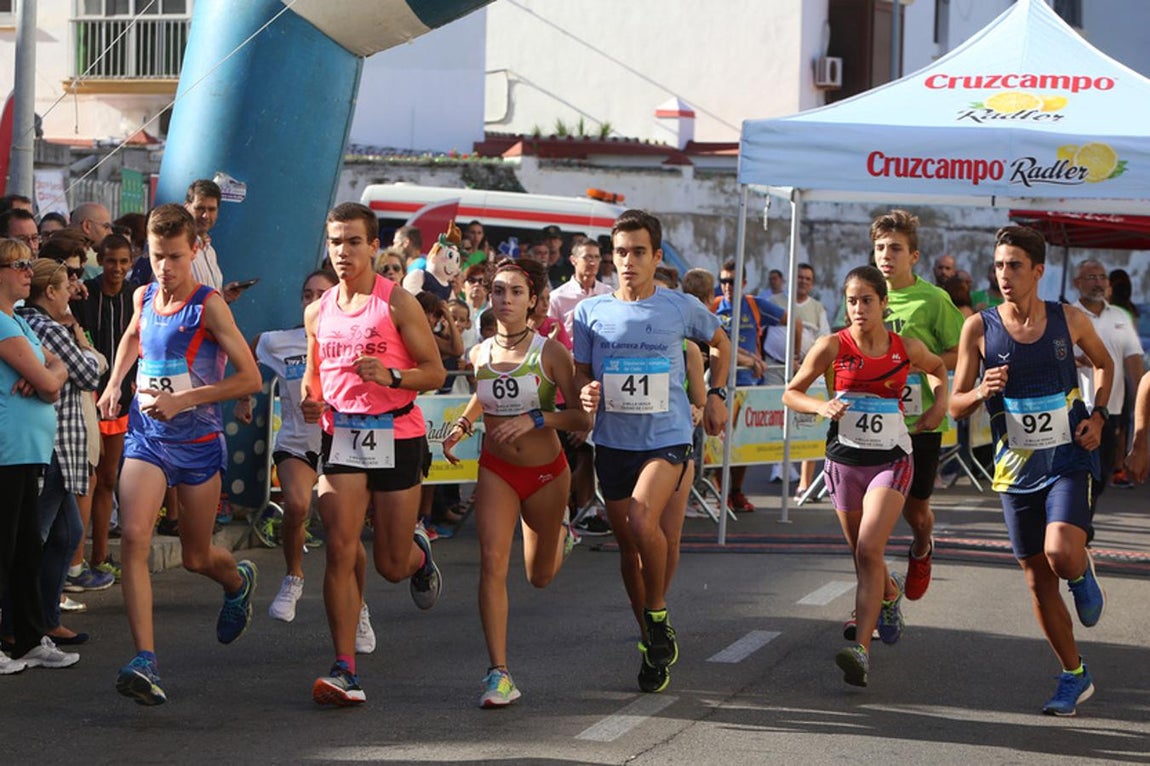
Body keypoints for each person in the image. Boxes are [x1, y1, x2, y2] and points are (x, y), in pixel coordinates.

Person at [97, 204, 263, 705]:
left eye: (174, 256)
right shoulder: (143, 294)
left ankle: (236, 581)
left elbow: (249, 378)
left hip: (197, 443)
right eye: (157, 255)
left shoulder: (210, 305)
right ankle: (145, 659)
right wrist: (114, 382)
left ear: (195, 250)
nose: (165, 266)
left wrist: (185, 400)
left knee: (195, 557)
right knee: (133, 539)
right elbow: (132, 337)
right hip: (147, 437)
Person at [950, 225, 1111, 717]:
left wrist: (1099, 416)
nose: (1004, 274)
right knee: (1038, 582)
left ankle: (1081, 573)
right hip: (1014, 468)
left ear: (1038, 271)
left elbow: (1104, 367)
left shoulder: (1070, 319)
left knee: (1061, 552)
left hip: (1067, 455)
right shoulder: (979, 328)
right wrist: (981, 391)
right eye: (998, 265)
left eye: (1014, 265)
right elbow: (955, 405)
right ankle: (1073, 674)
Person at [574, 209, 731, 694]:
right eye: (620, 252)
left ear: (656, 256)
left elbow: (721, 341)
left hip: (667, 438)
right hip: (614, 442)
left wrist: (718, 394)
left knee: (646, 524)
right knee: (629, 549)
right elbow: (581, 372)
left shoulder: (679, 307)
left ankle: (659, 615)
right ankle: (650, 640)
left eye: (638, 252)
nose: (628, 261)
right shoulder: (589, 312)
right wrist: (584, 393)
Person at [303, 202, 446, 707]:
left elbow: (435, 372)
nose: (343, 252)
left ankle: (419, 554)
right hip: (342, 435)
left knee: (389, 563)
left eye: (354, 242)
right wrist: (309, 396)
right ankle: (345, 668)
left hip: (397, 434)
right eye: (336, 241)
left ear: (374, 245)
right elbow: (313, 374)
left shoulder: (396, 303)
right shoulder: (317, 311)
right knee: (339, 547)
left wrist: (393, 376)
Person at [783, 265, 947, 687]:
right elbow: (791, 391)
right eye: (851, 300)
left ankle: (861, 649)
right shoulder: (830, 347)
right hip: (844, 461)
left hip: (892, 458)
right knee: (863, 555)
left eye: (867, 300)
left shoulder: (904, 347)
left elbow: (938, 371)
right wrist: (820, 407)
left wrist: (936, 408)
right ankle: (889, 593)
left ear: (883, 303)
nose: (858, 308)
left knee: (870, 547)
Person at [441, 257, 591, 707]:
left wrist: (537, 417)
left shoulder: (549, 352)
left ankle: (561, 533)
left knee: (539, 576)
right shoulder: (480, 352)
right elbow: (479, 397)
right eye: (499, 291)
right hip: (497, 469)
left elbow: (580, 416)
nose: (505, 300)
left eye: (515, 292)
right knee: (491, 562)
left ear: (533, 302)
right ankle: (499, 673)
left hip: (546, 474)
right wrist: (463, 428)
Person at [234, 269, 349, 628]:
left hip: (341, 446)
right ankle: (293, 577)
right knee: (297, 505)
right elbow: (249, 347)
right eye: (307, 294)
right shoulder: (280, 341)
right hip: (297, 444)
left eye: (322, 294)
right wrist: (245, 393)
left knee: (342, 533)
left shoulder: (352, 342)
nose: (313, 301)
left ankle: (357, 607)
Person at [7, 260, 107, 648]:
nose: (71, 293)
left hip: (54, 445)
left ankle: (44, 619)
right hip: (51, 448)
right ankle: (20, 625)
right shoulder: (46, 325)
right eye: (66, 287)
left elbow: (73, 369)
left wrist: (68, 361)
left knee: (67, 534)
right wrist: (78, 347)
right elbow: (88, 371)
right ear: (51, 292)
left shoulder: (34, 322)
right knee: (37, 539)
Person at [871, 209, 965, 602]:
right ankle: (875, 601)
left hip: (920, 423)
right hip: (872, 421)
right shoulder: (866, 294)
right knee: (869, 524)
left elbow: (959, 353)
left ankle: (922, 546)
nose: (885, 255)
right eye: (879, 247)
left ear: (913, 256)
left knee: (915, 513)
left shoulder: (933, 299)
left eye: (895, 248)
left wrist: (917, 363)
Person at [0, 239, 79, 674]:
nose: (28, 270)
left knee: (28, 547)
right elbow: (52, 383)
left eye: (29, 263)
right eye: (18, 264)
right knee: (6, 548)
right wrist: (47, 376)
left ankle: (29, 639)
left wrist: (46, 373)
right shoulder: (0, 323)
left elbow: (61, 365)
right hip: (7, 449)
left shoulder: (21, 322)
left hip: (29, 451)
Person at [75, 234, 138, 587]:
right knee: (88, 478)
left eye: (123, 262)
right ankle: (77, 560)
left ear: (131, 263)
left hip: (123, 400)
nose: (116, 268)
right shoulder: (85, 294)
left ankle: (100, 555)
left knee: (109, 478)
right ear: (100, 259)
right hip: (87, 395)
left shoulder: (136, 296)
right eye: (111, 261)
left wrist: (132, 380)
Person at [712, 258, 792, 512]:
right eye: (723, 281)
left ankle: (736, 492)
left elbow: (792, 321)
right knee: (716, 443)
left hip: (748, 385)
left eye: (732, 281)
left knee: (741, 445)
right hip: (718, 384)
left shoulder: (754, 305)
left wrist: (795, 353)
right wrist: (746, 358)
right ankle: (719, 493)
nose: (726, 286)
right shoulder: (713, 307)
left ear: (744, 283)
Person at [1070, 260, 1143, 495]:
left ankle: (1083, 520)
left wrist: (1141, 401)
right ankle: (1080, 524)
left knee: (1101, 474)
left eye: (1102, 277)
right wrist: (1081, 361)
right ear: (1077, 283)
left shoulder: (1121, 316)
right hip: (1077, 408)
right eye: (1091, 277)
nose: (1098, 283)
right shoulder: (1067, 315)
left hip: (1111, 409)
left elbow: (1133, 360)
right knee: (1079, 475)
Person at [548, 239, 611, 339]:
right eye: (587, 257)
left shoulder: (609, 294)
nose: (593, 263)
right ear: (574, 260)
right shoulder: (557, 297)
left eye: (597, 257)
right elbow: (550, 336)